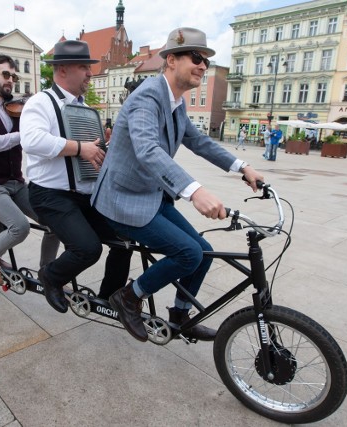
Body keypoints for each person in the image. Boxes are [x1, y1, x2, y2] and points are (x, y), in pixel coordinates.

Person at [91, 27, 264, 343]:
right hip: (122, 200)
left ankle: (180, 314)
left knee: (205, 252)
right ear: (171, 60)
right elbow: (147, 149)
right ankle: (129, 296)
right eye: (196, 57)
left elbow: (199, 142)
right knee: (188, 253)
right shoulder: (147, 97)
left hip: (149, 195)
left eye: (207, 62)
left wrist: (243, 166)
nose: (203, 66)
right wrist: (195, 190)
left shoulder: (177, 104)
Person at [20, 40, 132, 313]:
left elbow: (91, 153)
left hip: (84, 194)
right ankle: (51, 276)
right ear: (62, 70)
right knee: (87, 249)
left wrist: (102, 146)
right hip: (50, 194)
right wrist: (82, 148)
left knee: (125, 241)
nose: (90, 74)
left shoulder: (85, 109)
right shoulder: (40, 102)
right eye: (84, 67)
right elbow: (32, 140)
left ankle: (108, 300)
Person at [0, 55, 59, 284]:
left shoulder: (18, 108)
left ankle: (47, 272)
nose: (10, 80)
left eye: (13, 76)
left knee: (55, 224)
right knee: (20, 227)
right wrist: (22, 136)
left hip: (15, 182)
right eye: (5, 74)